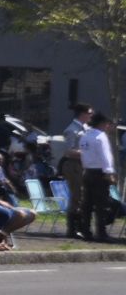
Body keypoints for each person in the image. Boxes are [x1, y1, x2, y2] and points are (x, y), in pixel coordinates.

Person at [75, 111, 116, 242]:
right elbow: (105, 156)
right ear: (102, 124)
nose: (107, 126)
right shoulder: (101, 136)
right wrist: (109, 172)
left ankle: (85, 231)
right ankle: (101, 232)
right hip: (100, 172)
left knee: (87, 204)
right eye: (107, 124)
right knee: (101, 204)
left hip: (87, 171)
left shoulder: (85, 136)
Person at [59, 101, 91, 238]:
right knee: (76, 195)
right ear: (83, 114)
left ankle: (80, 227)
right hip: (73, 165)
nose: (91, 115)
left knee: (82, 196)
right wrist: (88, 153)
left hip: (82, 165)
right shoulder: (72, 129)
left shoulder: (85, 128)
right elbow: (68, 151)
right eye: (89, 113)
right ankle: (72, 229)